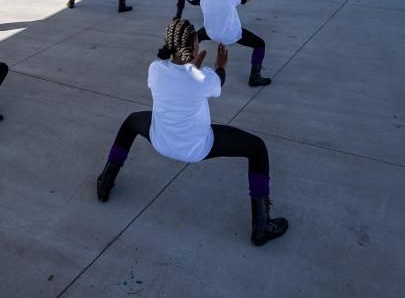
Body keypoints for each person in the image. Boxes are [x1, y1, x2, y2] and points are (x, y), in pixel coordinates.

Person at [95, 19, 288, 247]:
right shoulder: (204, 77)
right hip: (198, 147)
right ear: (194, 47)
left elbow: (179, 81)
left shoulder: (155, 69)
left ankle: (105, 181)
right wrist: (220, 65)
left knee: (130, 123)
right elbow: (217, 83)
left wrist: (192, 66)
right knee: (257, 148)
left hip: (160, 139)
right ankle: (261, 225)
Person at [198, 0, 271, 86]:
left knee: (195, 37)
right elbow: (242, 1)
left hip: (210, 32)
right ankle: (255, 76)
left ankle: (184, 62)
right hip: (232, 34)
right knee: (260, 44)